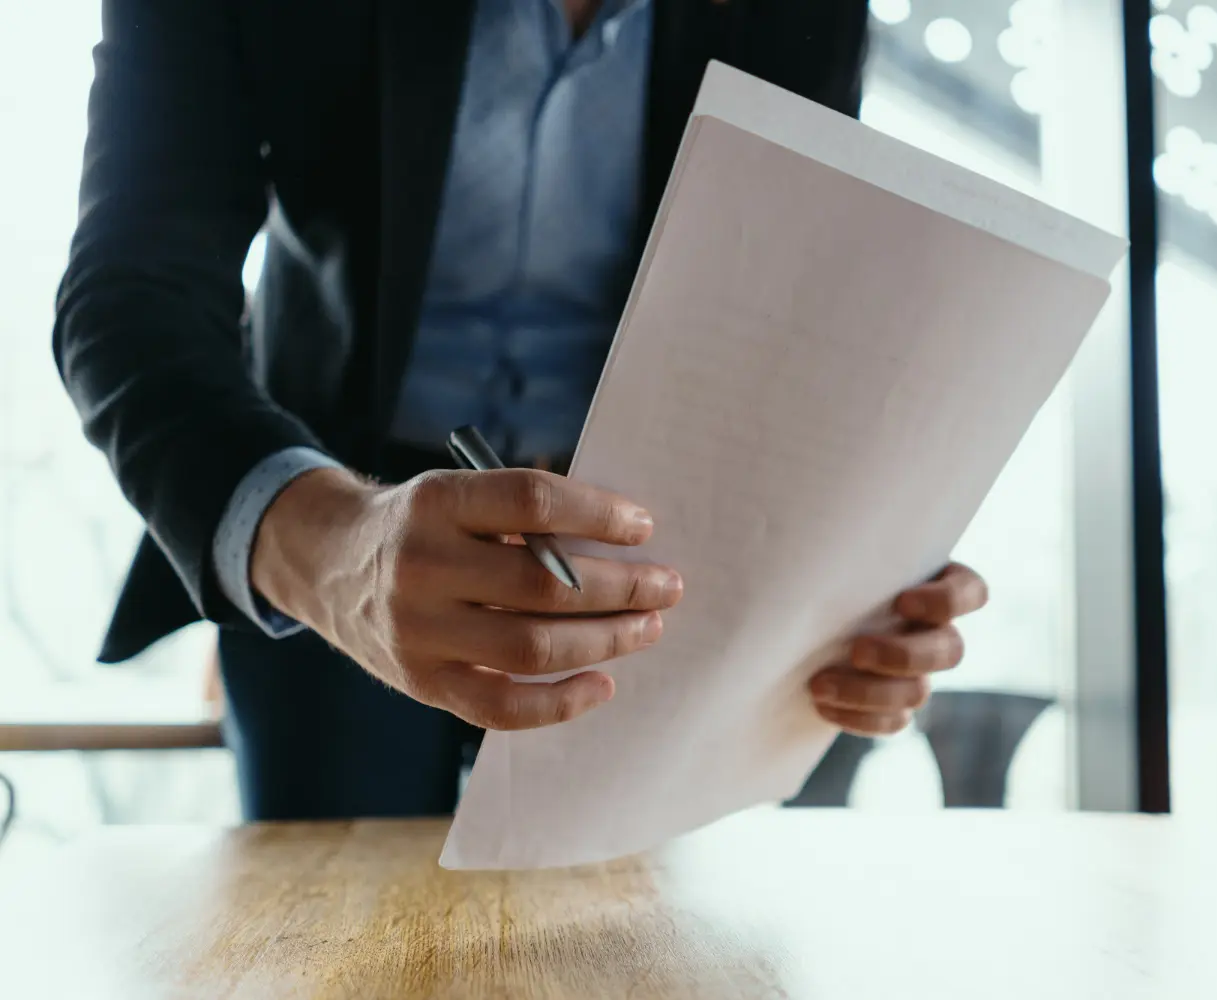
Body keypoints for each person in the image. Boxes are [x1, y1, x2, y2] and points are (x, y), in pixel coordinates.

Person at [54, 0, 989, 821]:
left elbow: (789, 309)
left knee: (635, 954)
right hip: (337, 548)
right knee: (339, 946)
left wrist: (855, 566)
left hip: (647, 562)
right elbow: (131, 295)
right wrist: (325, 549)